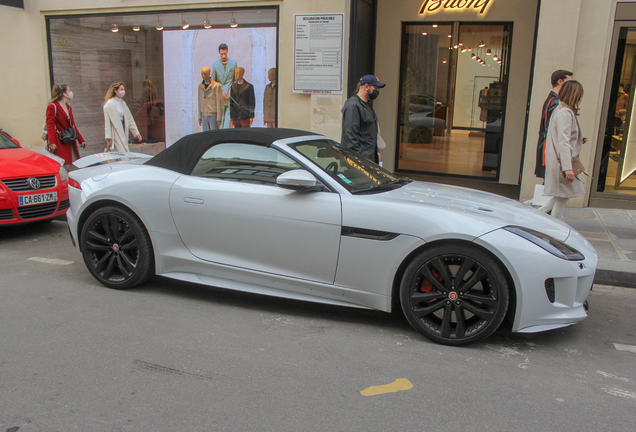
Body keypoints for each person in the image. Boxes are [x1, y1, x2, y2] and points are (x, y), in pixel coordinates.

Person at [539, 80, 587, 220]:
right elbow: (563, 142)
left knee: (559, 197)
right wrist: (568, 168)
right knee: (562, 197)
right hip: (562, 162)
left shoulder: (561, 110)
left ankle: (535, 220)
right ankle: (552, 229)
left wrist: (578, 138)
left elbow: (562, 137)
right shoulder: (565, 112)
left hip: (559, 161)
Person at [535, 69, 573, 179]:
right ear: (560, 81)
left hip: (548, 145)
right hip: (550, 148)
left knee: (549, 184)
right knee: (550, 184)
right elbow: (552, 129)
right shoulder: (555, 102)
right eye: (568, 82)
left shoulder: (552, 100)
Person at [341, 75, 386, 163]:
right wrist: (359, 160)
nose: (377, 90)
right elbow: (350, 136)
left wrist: (375, 152)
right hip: (358, 162)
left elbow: (370, 134)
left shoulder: (366, 105)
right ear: (366, 87)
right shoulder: (353, 105)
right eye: (375, 87)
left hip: (368, 158)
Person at [45, 83, 86, 169]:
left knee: (73, 165)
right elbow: (50, 125)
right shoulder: (52, 107)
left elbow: (73, 125)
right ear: (64, 94)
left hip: (70, 139)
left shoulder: (68, 107)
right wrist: (52, 142)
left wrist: (81, 140)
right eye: (69, 91)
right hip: (60, 140)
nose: (71, 92)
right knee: (63, 165)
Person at [103, 82, 142, 152]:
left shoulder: (123, 103)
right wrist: (109, 138)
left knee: (124, 148)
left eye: (123, 89)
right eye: (121, 89)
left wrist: (136, 133)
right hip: (115, 131)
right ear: (115, 90)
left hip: (124, 128)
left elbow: (130, 119)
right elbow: (107, 123)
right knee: (121, 151)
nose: (123, 91)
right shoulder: (109, 105)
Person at [211, 43, 238, 129]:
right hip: (220, 96)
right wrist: (220, 91)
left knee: (228, 120)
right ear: (219, 53)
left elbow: (235, 80)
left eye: (225, 53)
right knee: (220, 119)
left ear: (227, 52)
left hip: (230, 95)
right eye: (222, 54)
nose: (223, 56)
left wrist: (231, 90)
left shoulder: (233, 63)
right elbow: (213, 81)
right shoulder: (215, 65)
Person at [198, 67, 223, 131]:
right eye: (202, 74)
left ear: (209, 74)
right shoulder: (200, 87)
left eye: (205, 74)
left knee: (214, 135)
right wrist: (199, 116)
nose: (203, 76)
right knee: (206, 135)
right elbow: (199, 102)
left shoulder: (216, 86)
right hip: (204, 114)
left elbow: (219, 103)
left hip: (213, 115)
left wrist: (219, 118)